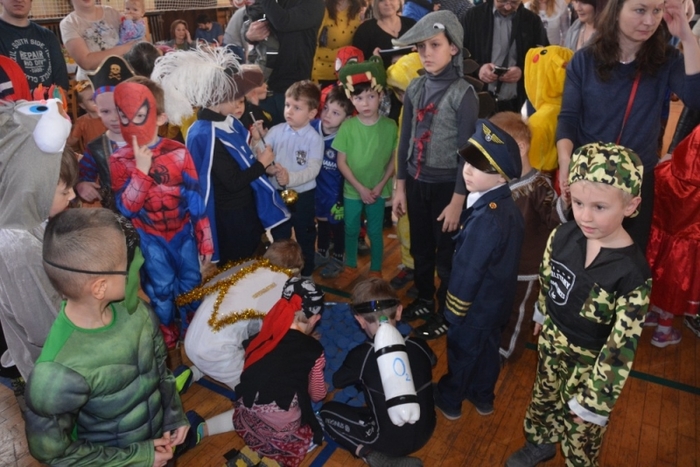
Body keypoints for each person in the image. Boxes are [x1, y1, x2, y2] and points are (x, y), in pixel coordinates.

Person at [506, 143, 651, 467]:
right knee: (543, 398)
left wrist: (595, 402)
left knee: (580, 431)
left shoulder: (632, 274)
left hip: (591, 364)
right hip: (552, 342)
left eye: (599, 207)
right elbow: (549, 276)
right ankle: (540, 442)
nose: (585, 216)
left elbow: (620, 347)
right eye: (578, 202)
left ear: (631, 205)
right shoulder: (562, 236)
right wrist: (542, 312)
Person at [24, 208, 189, 466]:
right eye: (128, 265)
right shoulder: (55, 375)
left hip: (160, 448)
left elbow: (160, 371)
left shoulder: (139, 313)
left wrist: (173, 415)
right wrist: (139, 458)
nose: (138, 268)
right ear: (100, 287)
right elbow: (54, 454)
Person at [556, 0, 700, 253]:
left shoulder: (666, 59)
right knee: (580, 256)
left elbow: (696, 98)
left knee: (627, 259)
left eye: (657, 11)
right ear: (616, 10)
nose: (649, 21)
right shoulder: (585, 60)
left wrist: (687, 37)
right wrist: (565, 161)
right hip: (588, 177)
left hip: (635, 182)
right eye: (640, 10)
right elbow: (568, 117)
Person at [153, 48, 290, 264]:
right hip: (231, 216)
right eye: (234, 98)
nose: (238, 103)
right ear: (217, 98)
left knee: (251, 257)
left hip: (245, 207)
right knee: (238, 265)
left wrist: (264, 163)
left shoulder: (229, 122)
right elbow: (233, 181)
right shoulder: (205, 133)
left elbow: (242, 161)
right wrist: (261, 164)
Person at [391, 11, 479, 339]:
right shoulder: (415, 87)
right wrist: (401, 186)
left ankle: (445, 312)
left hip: (447, 189)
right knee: (422, 249)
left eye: (435, 45)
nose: (426, 53)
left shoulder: (463, 94)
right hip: (416, 183)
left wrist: (458, 201)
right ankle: (426, 298)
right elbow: (405, 140)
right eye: (421, 47)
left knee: (447, 257)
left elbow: (467, 154)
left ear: (453, 48)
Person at [110, 78, 214, 349]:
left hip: (183, 234)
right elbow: (126, 208)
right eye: (125, 117)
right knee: (161, 290)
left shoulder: (179, 152)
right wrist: (140, 171)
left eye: (140, 117)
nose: (132, 125)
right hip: (150, 239)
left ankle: (193, 334)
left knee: (191, 284)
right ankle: (167, 336)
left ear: (160, 117)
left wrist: (205, 239)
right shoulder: (119, 160)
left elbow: (195, 198)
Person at [433, 119, 524, 420]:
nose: (468, 171)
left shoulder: (486, 218)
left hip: (473, 307)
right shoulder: (505, 207)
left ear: (501, 177)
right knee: (487, 352)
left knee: (463, 352)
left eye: (480, 167)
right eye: (468, 162)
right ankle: (483, 396)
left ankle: (450, 399)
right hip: (495, 305)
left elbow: (469, 270)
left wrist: (454, 310)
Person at [183, 277, 327, 465]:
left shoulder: (262, 336)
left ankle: (204, 429)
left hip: (248, 417)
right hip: (281, 427)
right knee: (316, 424)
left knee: (256, 406)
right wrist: (322, 388)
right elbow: (317, 395)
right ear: (315, 318)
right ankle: (276, 456)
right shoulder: (314, 351)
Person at [320, 278, 436, 467]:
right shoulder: (419, 345)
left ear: (360, 320)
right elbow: (432, 361)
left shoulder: (362, 355)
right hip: (426, 430)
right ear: (399, 311)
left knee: (327, 412)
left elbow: (338, 380)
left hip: (387, 442)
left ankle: (370, 455)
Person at [0, 99, 75, 384]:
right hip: (54, 366)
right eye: (64, 191)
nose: (72, 196)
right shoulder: (17, 247)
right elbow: (44, 328)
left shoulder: (25, 217)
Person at [491, 112, 567, 363]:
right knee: (501, 304)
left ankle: (507, 351)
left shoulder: (539, 185)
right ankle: (495, 340)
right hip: (502, 263)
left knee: (519, 311)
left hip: (527, 267)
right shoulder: (498, 180)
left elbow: (555, 220)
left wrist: (566, 202)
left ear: (521, 147)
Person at [180, 239, 304, 391]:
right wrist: (302, 337)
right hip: (214, 352)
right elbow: (271, 334)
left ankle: (194, 373)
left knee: (229, 349)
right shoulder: (274, 291)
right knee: (255, 391)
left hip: (193, 339)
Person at [334, 58, 397, 278]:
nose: (365, 103)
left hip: (378, 190)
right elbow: (341, 162)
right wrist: (360, 188)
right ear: (351, 100)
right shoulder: (347, 127)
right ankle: (350, 263)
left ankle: (376, 268)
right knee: (351, 228)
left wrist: (380, 185)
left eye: (371, 96)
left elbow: (393, 160)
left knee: (375, 231)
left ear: (381, 96)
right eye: (359, 98)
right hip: (353, 190)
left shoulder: (390, 126)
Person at [645, 125, 700, 345]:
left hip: (657, 241)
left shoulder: (664, 172)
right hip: (683, 255)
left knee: (654, 273)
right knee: (674, 284)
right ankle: (663, 330)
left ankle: (649, 313)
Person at [265, 80, 325, 277]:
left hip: (303, 196)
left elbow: (313, 170)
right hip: (277, 193)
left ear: (311, 113)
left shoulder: (314, 139)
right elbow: (262, 154)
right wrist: (258, 142)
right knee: (280, 236)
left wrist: (290, 177)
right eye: (287, 105)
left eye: (297, 107)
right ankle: (280, 274)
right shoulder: (275, 131)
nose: (289, 111)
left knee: (305, 234)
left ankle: (306, 274)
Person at [244, 0, 325, 124]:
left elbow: (283, 21)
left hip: (293, 89)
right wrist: (249, 36)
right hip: (264, 85)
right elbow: (250, 21)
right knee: (261, 132)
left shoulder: (313, 3)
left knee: (291, 133)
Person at [462, 0, 549, 112]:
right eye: (502, 1)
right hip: (477, 103)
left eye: (514, 2)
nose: (507, 7)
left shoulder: (532, 21)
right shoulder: (472, 17)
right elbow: (457, 55)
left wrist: (523, 71)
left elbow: (544, 59)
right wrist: (478, 69)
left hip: (515, 104)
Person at [76, 56, 135, 209]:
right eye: (106, 111)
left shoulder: (149, 141)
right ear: (97, 110)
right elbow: (83, 175)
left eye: (120, 110)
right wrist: (82, 185)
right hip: (114, 214)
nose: (114, 118)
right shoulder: (95, 147)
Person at [313, 86, 353, 278]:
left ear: (346, 118)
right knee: (321, 223)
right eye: (326, 108)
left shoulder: (345, 139)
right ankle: (321, 252)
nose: (328, 115)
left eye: (336, 113)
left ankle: (338, 257)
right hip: (316, 190)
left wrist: (342, 198)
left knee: (337, 226)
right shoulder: (311, 127)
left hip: (336, 193)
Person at [0, 0, 69, 92]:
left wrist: (57, 98)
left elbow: (61, 83)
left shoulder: (48, 36)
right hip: (11, 101)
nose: (19, 0)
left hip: (49, 101)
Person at [60, 0, 137, 80]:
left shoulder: (111, 12)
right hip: (91, 82)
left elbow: (135, 37)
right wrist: (126, 48)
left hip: (123, 78)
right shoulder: (68, 23)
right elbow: (86, 62)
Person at [311, 0, 366, 86]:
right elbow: (313, 46)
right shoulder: (323, 9)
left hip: (347, 74)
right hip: (321, 75)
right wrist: (313, 79)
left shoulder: (358, 11)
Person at [353, 0, 417, 69]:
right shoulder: (365, 30)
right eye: (382, 0)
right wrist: (376, 63)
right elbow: (357, 65)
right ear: (376, 4)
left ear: (399, 2)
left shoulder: (411, 24)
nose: (387, 3)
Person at [67, 80, 107, 154]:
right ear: (82, 105)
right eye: (91, 99)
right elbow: (71, 141)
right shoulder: (81, 122)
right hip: (93, 156)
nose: (96, 100)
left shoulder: (109, 116)